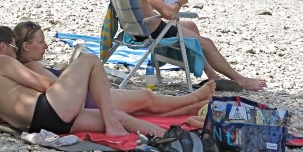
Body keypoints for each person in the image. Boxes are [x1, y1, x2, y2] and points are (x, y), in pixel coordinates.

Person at [0, 26, 163, 137]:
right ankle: (112, 123)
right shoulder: (1, 61)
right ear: (2, 46)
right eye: (13, 48)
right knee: (90, 60)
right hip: (50, 110)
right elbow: (46, 85)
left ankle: (168, 137)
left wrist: (10, 109)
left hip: (34, 125)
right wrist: (70, 86)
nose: (15, 53)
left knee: (122, 116)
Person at [130, 0, 267, 91]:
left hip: (136, 28)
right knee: (207, 44)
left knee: (191, 26)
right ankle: (241, 80)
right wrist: (180, 1)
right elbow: (169, 14)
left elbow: (140, 8)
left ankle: (211, 74)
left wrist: (160, 0)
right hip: (154, 32)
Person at [12, 21, 213, 117]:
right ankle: (191, 99)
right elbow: (56, 89)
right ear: (26, 46)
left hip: (87, 98)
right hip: (88, 101)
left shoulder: (29, 64)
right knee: (145, 98)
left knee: (142, 108)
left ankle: (188, 107)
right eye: (41, 42)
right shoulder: (29, 67)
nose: (46, 46)